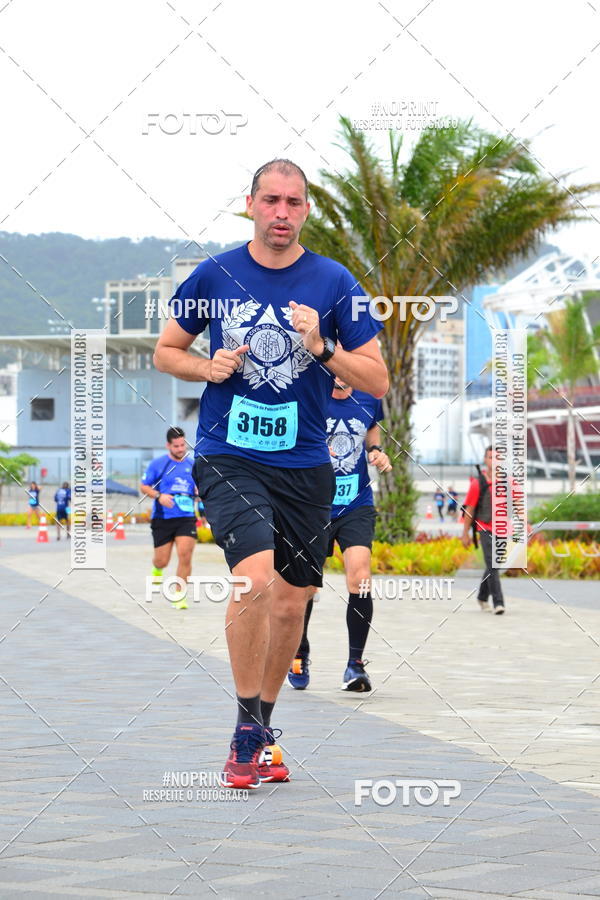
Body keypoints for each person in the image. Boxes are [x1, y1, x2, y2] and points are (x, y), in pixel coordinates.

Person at [154, 158, 388, 789]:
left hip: (306, 464)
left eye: (294, 202)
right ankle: (242, 729)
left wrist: (322, 349)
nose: (282, 213)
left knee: (291, 603)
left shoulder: (336, 282)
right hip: (229, 454)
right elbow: (165, 350)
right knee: (253, 580)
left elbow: (378, 378)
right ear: (250, 204)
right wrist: (207, 369)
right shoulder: (216, 272)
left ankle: (262, 725)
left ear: (305, 209)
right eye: (271, 201)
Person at [287, 380, 392, 693]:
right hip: (312, 505)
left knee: (360, 577)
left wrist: (375, 450)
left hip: (355, 503)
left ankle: (355, 665)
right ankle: (299, 651)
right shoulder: (308, 392)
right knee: (305, 586)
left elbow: (371, 429)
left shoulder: (369, 396)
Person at [140, 427, 198, 610]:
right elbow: (144, 486)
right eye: (176, 446)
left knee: (185, 555)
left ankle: (179, 596)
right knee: (162, 560)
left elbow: (199, 489)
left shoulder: (192, 465)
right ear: (168, 446)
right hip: (163, 518)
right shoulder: (158, 464)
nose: (181, 449)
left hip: (186, 517)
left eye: (183, 445)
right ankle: (157, 568)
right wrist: (159, 496)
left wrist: (199, 493)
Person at [461, 446, 505, 614]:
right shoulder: (477, 483)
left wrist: (525, 523)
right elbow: (469, 510)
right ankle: (498, 603)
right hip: (484, 527)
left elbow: (516, 504)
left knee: (494, 564)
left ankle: (482, 596)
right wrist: (465, 534)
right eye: (490, 457)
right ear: (485, 460)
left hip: (501, 529)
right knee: (493, 563)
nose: (494, 460)